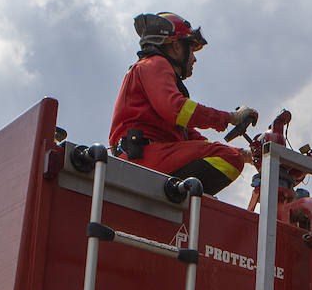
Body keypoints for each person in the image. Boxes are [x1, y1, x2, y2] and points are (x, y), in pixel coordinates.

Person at [109, 12, 258, 195]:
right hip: (143, 158)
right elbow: (177, 109)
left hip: (145, 157)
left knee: (231, 155)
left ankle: (181, 199)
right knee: (229, 158)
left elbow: (191, 138)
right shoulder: (155, 64)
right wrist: (231, 118)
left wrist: (246, 155)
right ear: (177, 47)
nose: (194, 59)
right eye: (191, 49)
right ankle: (181, 198)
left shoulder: (152, 74)